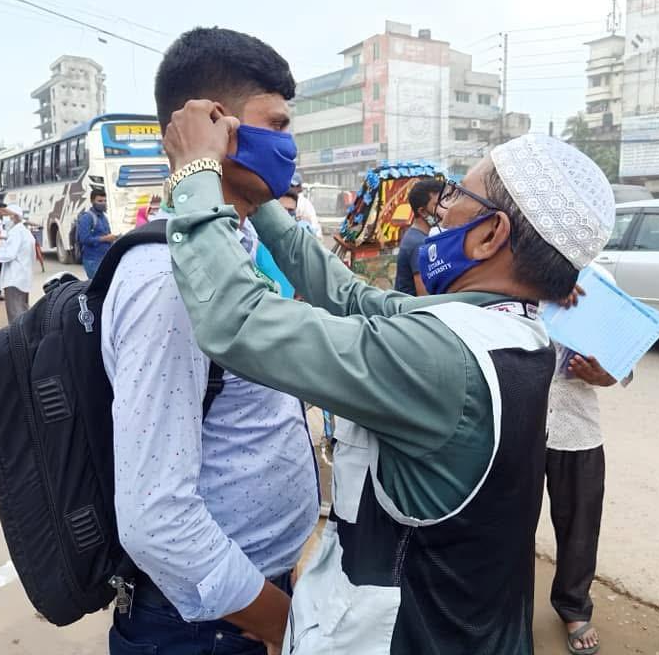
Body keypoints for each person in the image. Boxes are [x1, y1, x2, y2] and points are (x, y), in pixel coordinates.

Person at [162, 94, 615, 655]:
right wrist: (259, 199)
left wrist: (194, 174)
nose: (441, 210)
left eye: (456, 197)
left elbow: (237, 319)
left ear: (490, 235)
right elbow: (349, 295)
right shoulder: (511, 332)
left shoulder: (439, 359)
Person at [103, 27, 320, 655]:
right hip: (207, 624)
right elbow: (156, 519)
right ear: (216, 125)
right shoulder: (174, 282)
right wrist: (277, 620)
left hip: (245, 596)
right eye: (275, 125)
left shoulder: (229, 250)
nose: (289, 144)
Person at [544, 267, 630, 655]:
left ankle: (573, 606)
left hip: (576, 426)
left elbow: (621, 366)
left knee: (580, 523)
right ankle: (505, 605)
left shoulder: (599, 280)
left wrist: (602, 376)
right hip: (516, 417)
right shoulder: (512, 267)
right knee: (507, 520)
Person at [394, 177, 443, 295]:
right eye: (437, 205)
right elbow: (424, 296)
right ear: (422, 211)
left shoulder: (418, 236)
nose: (443, 210)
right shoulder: (419, 244)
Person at [0, 204, 35, 323]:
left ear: (14, 217)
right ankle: (25, 339)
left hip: (14, 279)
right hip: (22, 278)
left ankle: (18, 340)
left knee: (15, 315)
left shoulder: (16, 232)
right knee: (23, 311)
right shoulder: (24, 232)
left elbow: (9, 254)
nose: (4, 218)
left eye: (6, 215)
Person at [76, 190, 116, 278]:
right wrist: (104, 238)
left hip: (105, 258)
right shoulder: (87, 217)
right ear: (92, 201)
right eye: (100, 201)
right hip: (92, 260)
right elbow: (84, 239)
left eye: (105, 201)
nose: (103, 203)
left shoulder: (104, 217)